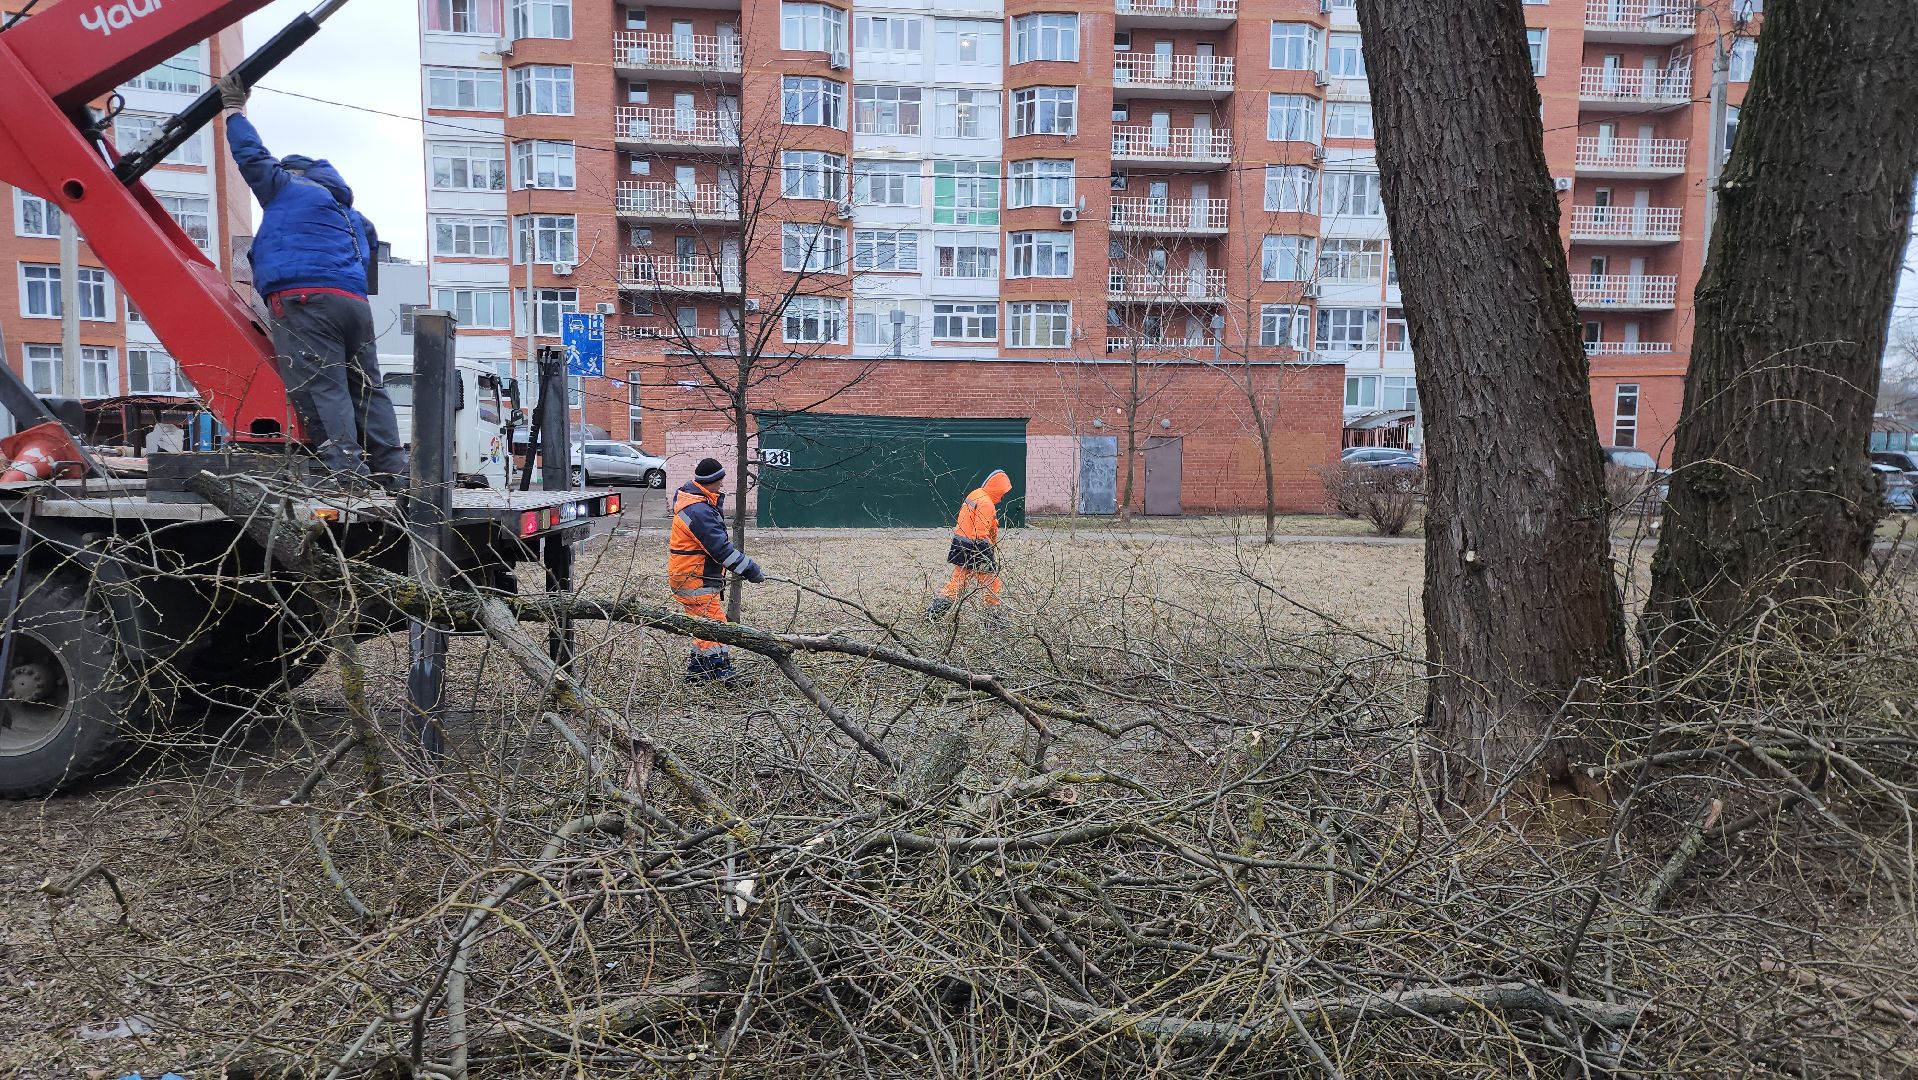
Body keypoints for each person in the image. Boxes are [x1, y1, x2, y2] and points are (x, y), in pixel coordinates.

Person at [219, 73, 408, 490]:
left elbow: (252, 157)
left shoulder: (288, 188)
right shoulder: (352, 215)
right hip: (354, 304)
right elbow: (371, 254)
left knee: (324, 385)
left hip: (306, 299)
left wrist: (233, 108)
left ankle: (346, 475)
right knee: (367, 386)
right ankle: (394, 470)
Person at [668, 458, 765, 682]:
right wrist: (750, 569)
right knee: (715, 626)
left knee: (703, 625)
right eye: (719, 481)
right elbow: (720, 550)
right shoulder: (698, 510)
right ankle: (720, 671)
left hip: (691, 576)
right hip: (694, 578)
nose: (722, 485)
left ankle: (699, 670)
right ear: (710, 482)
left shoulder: (698, 503)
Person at [929, 469, 1013, 619]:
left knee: (957, 582)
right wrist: (988, 558)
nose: (1002, 497)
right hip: (976, 548)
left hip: (961, 545)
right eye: (1003, 493)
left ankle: (934, 613)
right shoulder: (987, 503)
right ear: (998, 489)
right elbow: (980, 533)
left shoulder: (975, 494)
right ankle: (993, 621)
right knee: (991, 583)